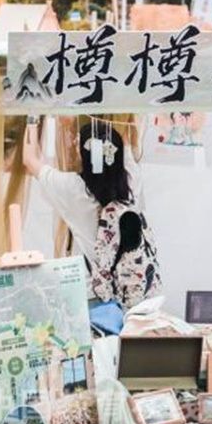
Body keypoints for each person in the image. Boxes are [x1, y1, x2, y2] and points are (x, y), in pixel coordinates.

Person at [22, 121, 161, 307]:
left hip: (95, 295)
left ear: (84, 155)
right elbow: (124, 143)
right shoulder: (131, 179)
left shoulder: (73, 189)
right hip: (136, 291)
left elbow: (29, 160)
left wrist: (32, 120)